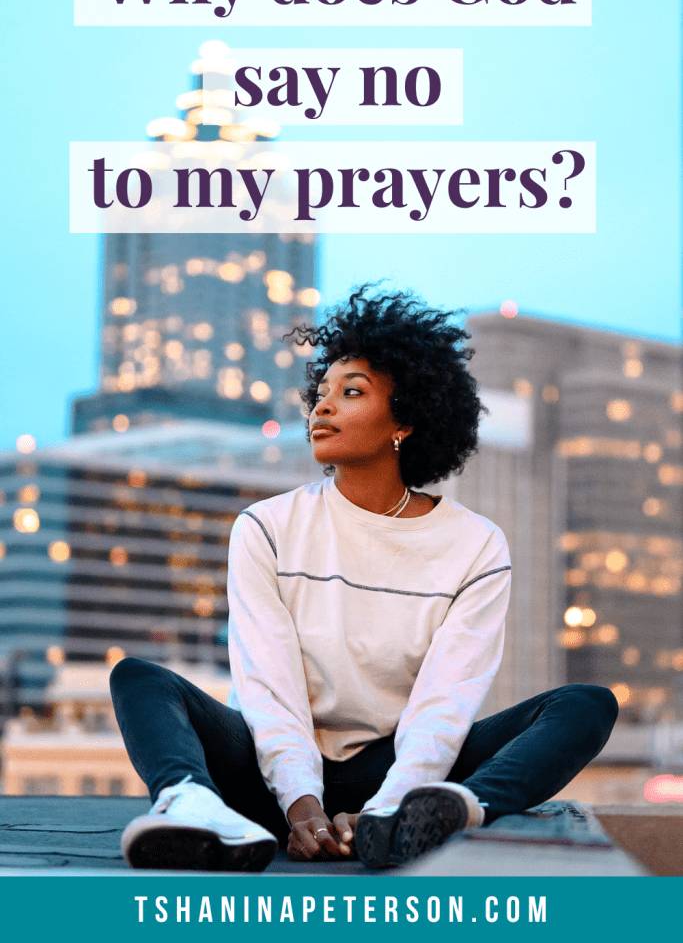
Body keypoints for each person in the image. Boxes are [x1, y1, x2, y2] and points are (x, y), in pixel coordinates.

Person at [111, 286, 618, 872]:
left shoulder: (475, 546)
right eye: (320, 394)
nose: (322, 408)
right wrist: (301, 804)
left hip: (401, 776)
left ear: (405, 420)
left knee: (585, 705)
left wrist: (392, 803)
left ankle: (455, 811)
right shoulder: (268, 526)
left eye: (350, 393)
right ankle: (193, 806)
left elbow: (443, 703)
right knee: (141, 680)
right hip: (267, 776)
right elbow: (268, 687)